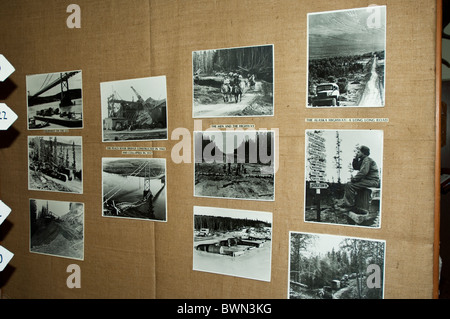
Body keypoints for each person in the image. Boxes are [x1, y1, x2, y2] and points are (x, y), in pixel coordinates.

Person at [338, 145, 380, 210]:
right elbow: (356, 167)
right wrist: (355, 159)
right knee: (350, 185)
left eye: (359, 152)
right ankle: (351, 203)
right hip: (369, 181)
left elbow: (363, 172)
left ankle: (349, 205)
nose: (357, 153)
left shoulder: (367, 160)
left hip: (372, 181)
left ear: (363, 153)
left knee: (349, 185)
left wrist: (354, 179)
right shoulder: (364, 160)